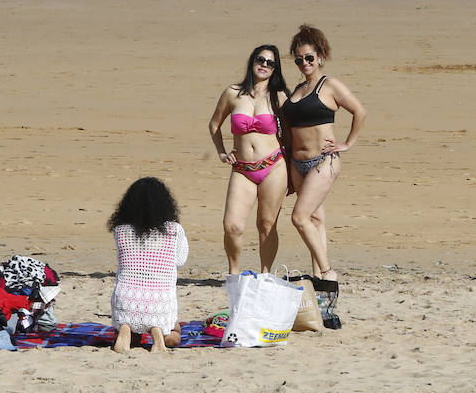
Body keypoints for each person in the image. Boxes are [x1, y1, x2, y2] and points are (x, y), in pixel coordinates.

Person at [284, 25, 367, 284]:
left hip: (323, 161)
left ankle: (328, 272)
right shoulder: (297, 90)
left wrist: (347, 143)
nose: (305, 63)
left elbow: (359, 111)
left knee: (299, 217)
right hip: (297, 163)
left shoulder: (329, 85)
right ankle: (318, 276)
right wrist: (288, 166)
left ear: (320, 56)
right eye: (299, 59)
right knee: (315, 218)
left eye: (309, 57)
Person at [208, 45, 291, 274]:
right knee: (232, 225)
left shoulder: (280, 96)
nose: (264, 65)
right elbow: (215, 124)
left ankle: (265, 274)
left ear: (275, 69)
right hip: (242, 168)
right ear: (252, 61)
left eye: (270, 62)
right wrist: (222, 151)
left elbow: (294, 132)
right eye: (260, 59)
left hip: (274, 166)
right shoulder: (232, 93)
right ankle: (233, 273)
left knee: (266, 224)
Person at [108, 177, 188, 354]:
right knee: (174, 335)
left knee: (132, 325)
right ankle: (157, 332)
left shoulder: (120, 230)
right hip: (160, 301)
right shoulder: (174, 230)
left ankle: (126, 329)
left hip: (126, 300)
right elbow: (180, 260)